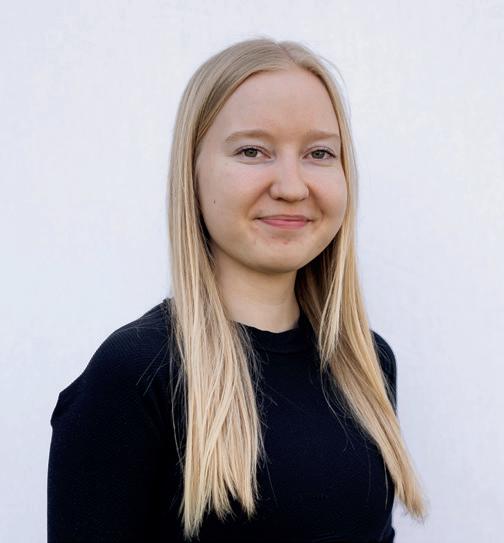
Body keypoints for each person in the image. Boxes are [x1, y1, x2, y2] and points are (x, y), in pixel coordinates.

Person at [47, 37, 427, 542]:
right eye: (252, 151)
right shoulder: (137, 375)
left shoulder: (367, 365)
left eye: (319, 153)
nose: (292, 186)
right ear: (193, 172)